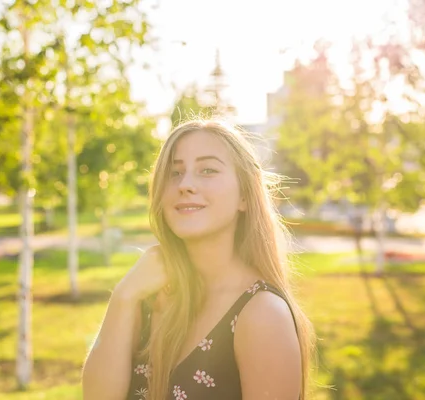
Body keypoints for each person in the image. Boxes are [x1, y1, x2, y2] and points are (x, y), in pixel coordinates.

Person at [82, 120, 315, 400]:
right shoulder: (145, 297)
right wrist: (123, 296)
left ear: (244, 194)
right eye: (174, 172)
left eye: (208, 170)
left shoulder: (262, 314)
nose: (185, 184)